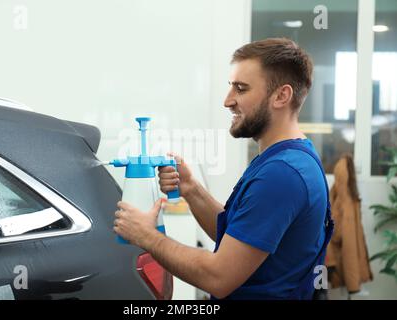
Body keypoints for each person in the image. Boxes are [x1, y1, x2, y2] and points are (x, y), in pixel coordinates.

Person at [113, 38, 333, 300]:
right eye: (231, 87)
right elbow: (240, 238)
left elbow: (218, 277)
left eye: (241, 89)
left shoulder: (282, 174)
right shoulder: (287, 159)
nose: (228, 101)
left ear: (281, 96)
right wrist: (191, 189)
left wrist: (147, 236)